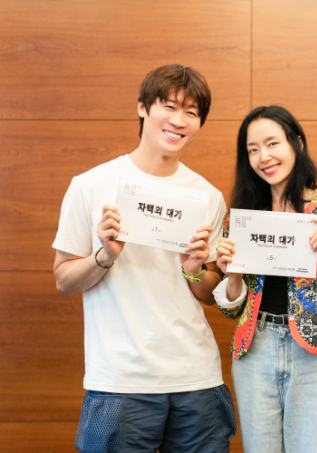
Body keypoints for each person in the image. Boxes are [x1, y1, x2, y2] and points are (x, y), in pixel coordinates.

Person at [53, 64, 236, 453]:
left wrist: (193, 271)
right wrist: (104, 256)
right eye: (169, 106)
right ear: (142, 107)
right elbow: (64, 279)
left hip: (196, 378)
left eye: (191, 112)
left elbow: (209, 294)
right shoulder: (91, 185)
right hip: (121, 380)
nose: (179, 120)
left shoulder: (208, 197)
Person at [212, 105, 317, 453]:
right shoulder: (243, 217)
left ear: (297, 144)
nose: (264, 157)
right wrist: (233, 276)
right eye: (253, 149)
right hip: (254, 351)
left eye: (272, 143)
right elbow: (231, 310)